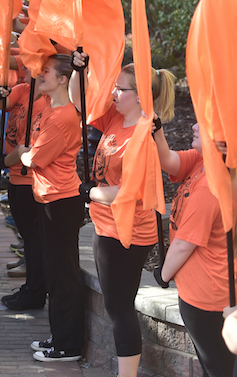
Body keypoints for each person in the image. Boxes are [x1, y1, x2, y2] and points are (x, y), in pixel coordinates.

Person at [71, 56, 177, 375]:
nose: (113, 93)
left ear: (141, 96)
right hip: (106, 226)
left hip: (126, 232)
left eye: (121, 88)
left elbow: (127, 193)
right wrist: (79, 70)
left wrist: (87, 192)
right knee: (116, 305)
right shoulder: (117, 119)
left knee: (118, 308)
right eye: (115, 86)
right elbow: (80, 101)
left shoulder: (142, 135)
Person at [13, 54, 84, 362]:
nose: (40, 75)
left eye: (46, 72)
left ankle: (68, 345)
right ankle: (59, 336)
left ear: (63, 80)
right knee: (55, 273)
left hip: (60, 200)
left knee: (62, 274)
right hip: (47, 197)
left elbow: (34, 159)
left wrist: (25, 154)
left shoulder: (63, 117)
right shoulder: (52, 108)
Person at [155, 123, 237, 377]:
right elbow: (167, 161)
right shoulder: (202, 162)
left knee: (217, 369)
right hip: (204, 292)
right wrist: (156, 130)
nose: (193, 125)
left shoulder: (210, 187)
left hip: (208, 297)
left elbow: (183, 244)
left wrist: (164, 274)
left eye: (205, 122)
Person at [0, 79, 50, 312]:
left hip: (30, 178)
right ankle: (31, 287)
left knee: (34, 238)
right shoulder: (23, 90)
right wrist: (0, 93)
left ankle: (36, 291)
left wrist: (4, 162)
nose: (25, 67)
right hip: (15, 176)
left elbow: (29, 151)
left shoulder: (47, 101)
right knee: (27, 236)